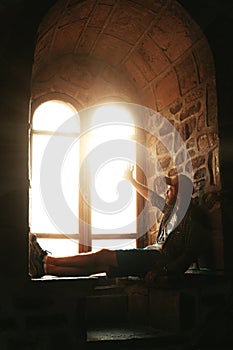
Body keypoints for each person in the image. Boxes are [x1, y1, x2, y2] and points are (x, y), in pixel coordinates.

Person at [29, 168, 212, 283]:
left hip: (156, 259)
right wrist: (131, 180)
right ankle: (46, 269)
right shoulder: (172, 210)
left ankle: (47, 260)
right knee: (102, 266)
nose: (167, 191)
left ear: (180, 195)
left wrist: (161, 271)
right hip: (152, 255)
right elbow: (150, 196)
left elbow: (187, 257)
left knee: (103, 256)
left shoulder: (193, 219)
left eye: (171, 189)